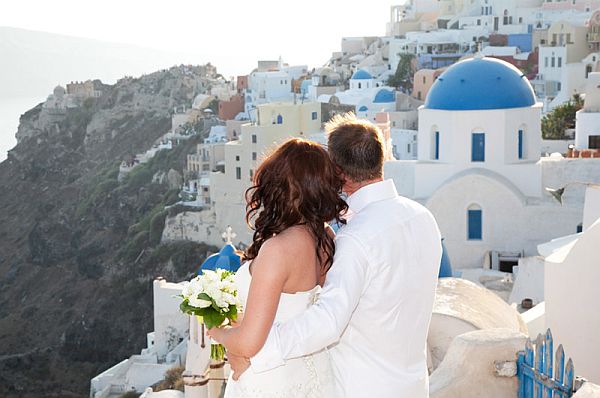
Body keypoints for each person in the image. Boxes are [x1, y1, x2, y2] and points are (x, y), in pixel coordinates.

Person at [210, 113, 442, 398]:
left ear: (338, 172)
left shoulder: (356, 237)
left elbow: (328, 321)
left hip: (360, 387)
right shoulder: (423, 218)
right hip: (413, 385)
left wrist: (252, 350)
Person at [208, 137, 347, 397]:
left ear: (279, 188)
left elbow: (249, 343)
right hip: (314, 375)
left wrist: (217, 330)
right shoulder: (326, 238)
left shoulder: (278, 250)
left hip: (269, 380)